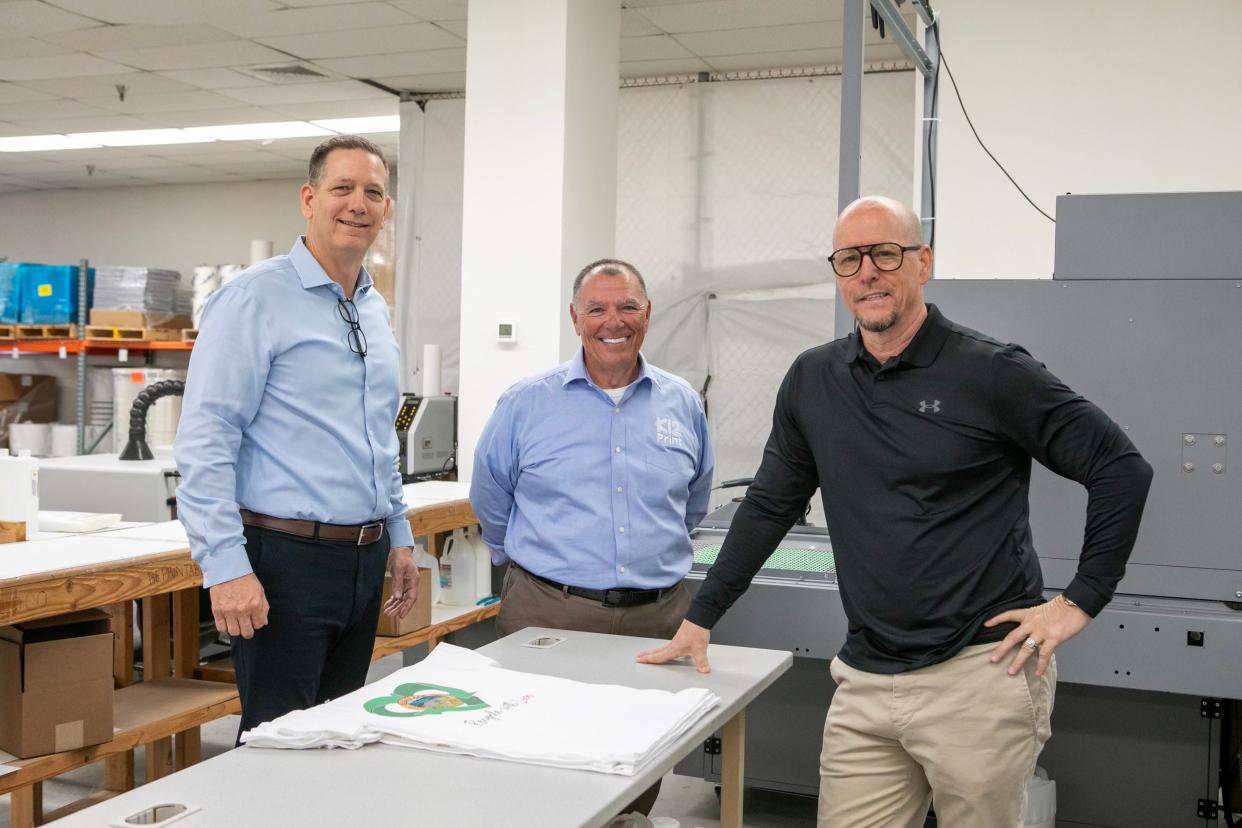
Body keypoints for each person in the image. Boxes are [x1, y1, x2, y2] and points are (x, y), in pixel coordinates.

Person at [638, 196, 1153, 828]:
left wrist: (1078, 601)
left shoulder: (990, 371)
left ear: (922, 263)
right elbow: (772, 504)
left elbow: (1120, 467)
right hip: (864, 677)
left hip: (980, 674)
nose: (868, 273)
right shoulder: (814, 379)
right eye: (850, 259)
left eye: (886, 253)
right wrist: (702, 615)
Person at [175, 135, 420, 740]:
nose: (358, 204)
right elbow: (206, 440)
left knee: (335, 738)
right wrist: (225, 567)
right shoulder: (257, 297)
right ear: (309, 199)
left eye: (373, 193)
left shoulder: (372, 308)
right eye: (342, 189)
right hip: (284, 564)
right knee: (278, 746)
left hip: (362, 563)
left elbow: (378, 437)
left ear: (387, 210)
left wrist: (400, 534)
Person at [470, 258, 713, 815]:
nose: (614, 320)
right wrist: (538, 570)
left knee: (641, 759)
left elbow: (693, 501)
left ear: (647, 314)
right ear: (575, 318)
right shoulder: (526, 403)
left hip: (657, 621)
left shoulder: (681, 402)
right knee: (538, 759)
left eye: (628, 306)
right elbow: (491, 500)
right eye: (597, 308)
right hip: (549, 613)